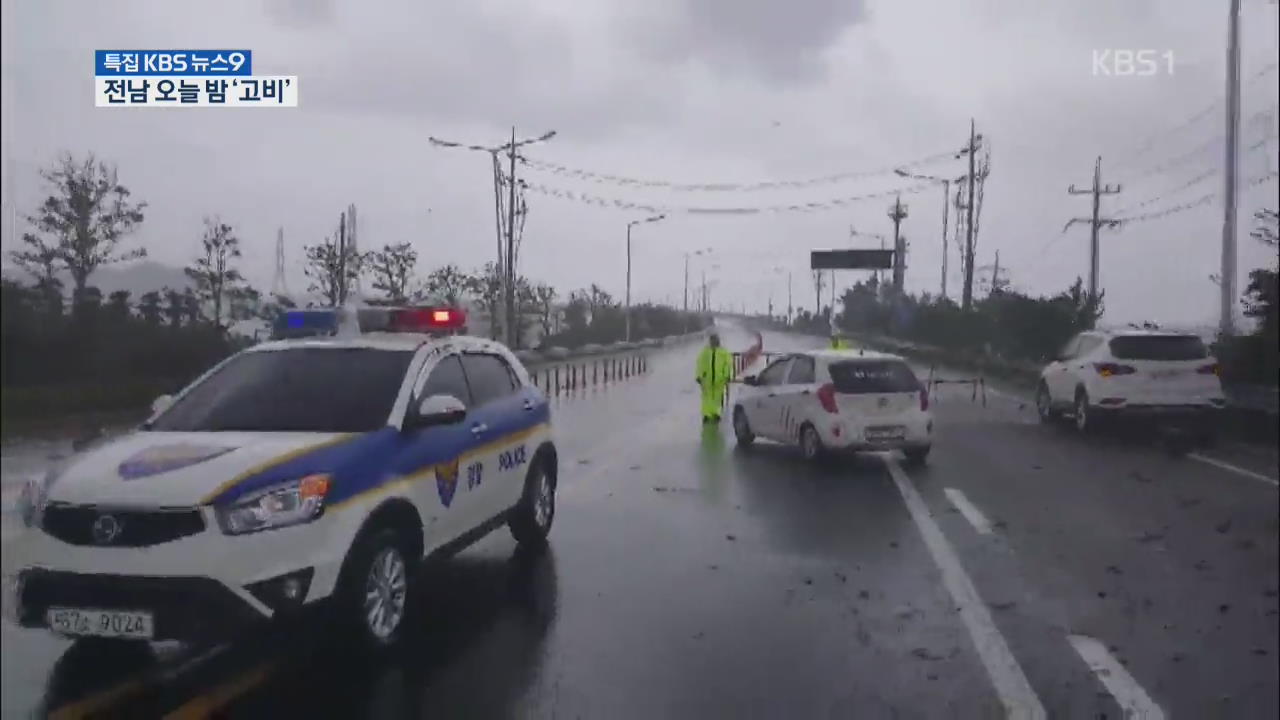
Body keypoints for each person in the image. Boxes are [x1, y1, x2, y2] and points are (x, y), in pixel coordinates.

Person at [696, 333, 734, 423]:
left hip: (719, 379)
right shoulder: (705, 352)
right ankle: (707, 414)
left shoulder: (723, 352)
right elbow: (700, 364)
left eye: (715, 340)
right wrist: (699, 375)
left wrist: (727, 375)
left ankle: (716, 413)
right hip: (707, 379)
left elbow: (728, 365)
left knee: (717, 397)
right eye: (712, 340)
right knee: (706, 397)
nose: (713, 342)